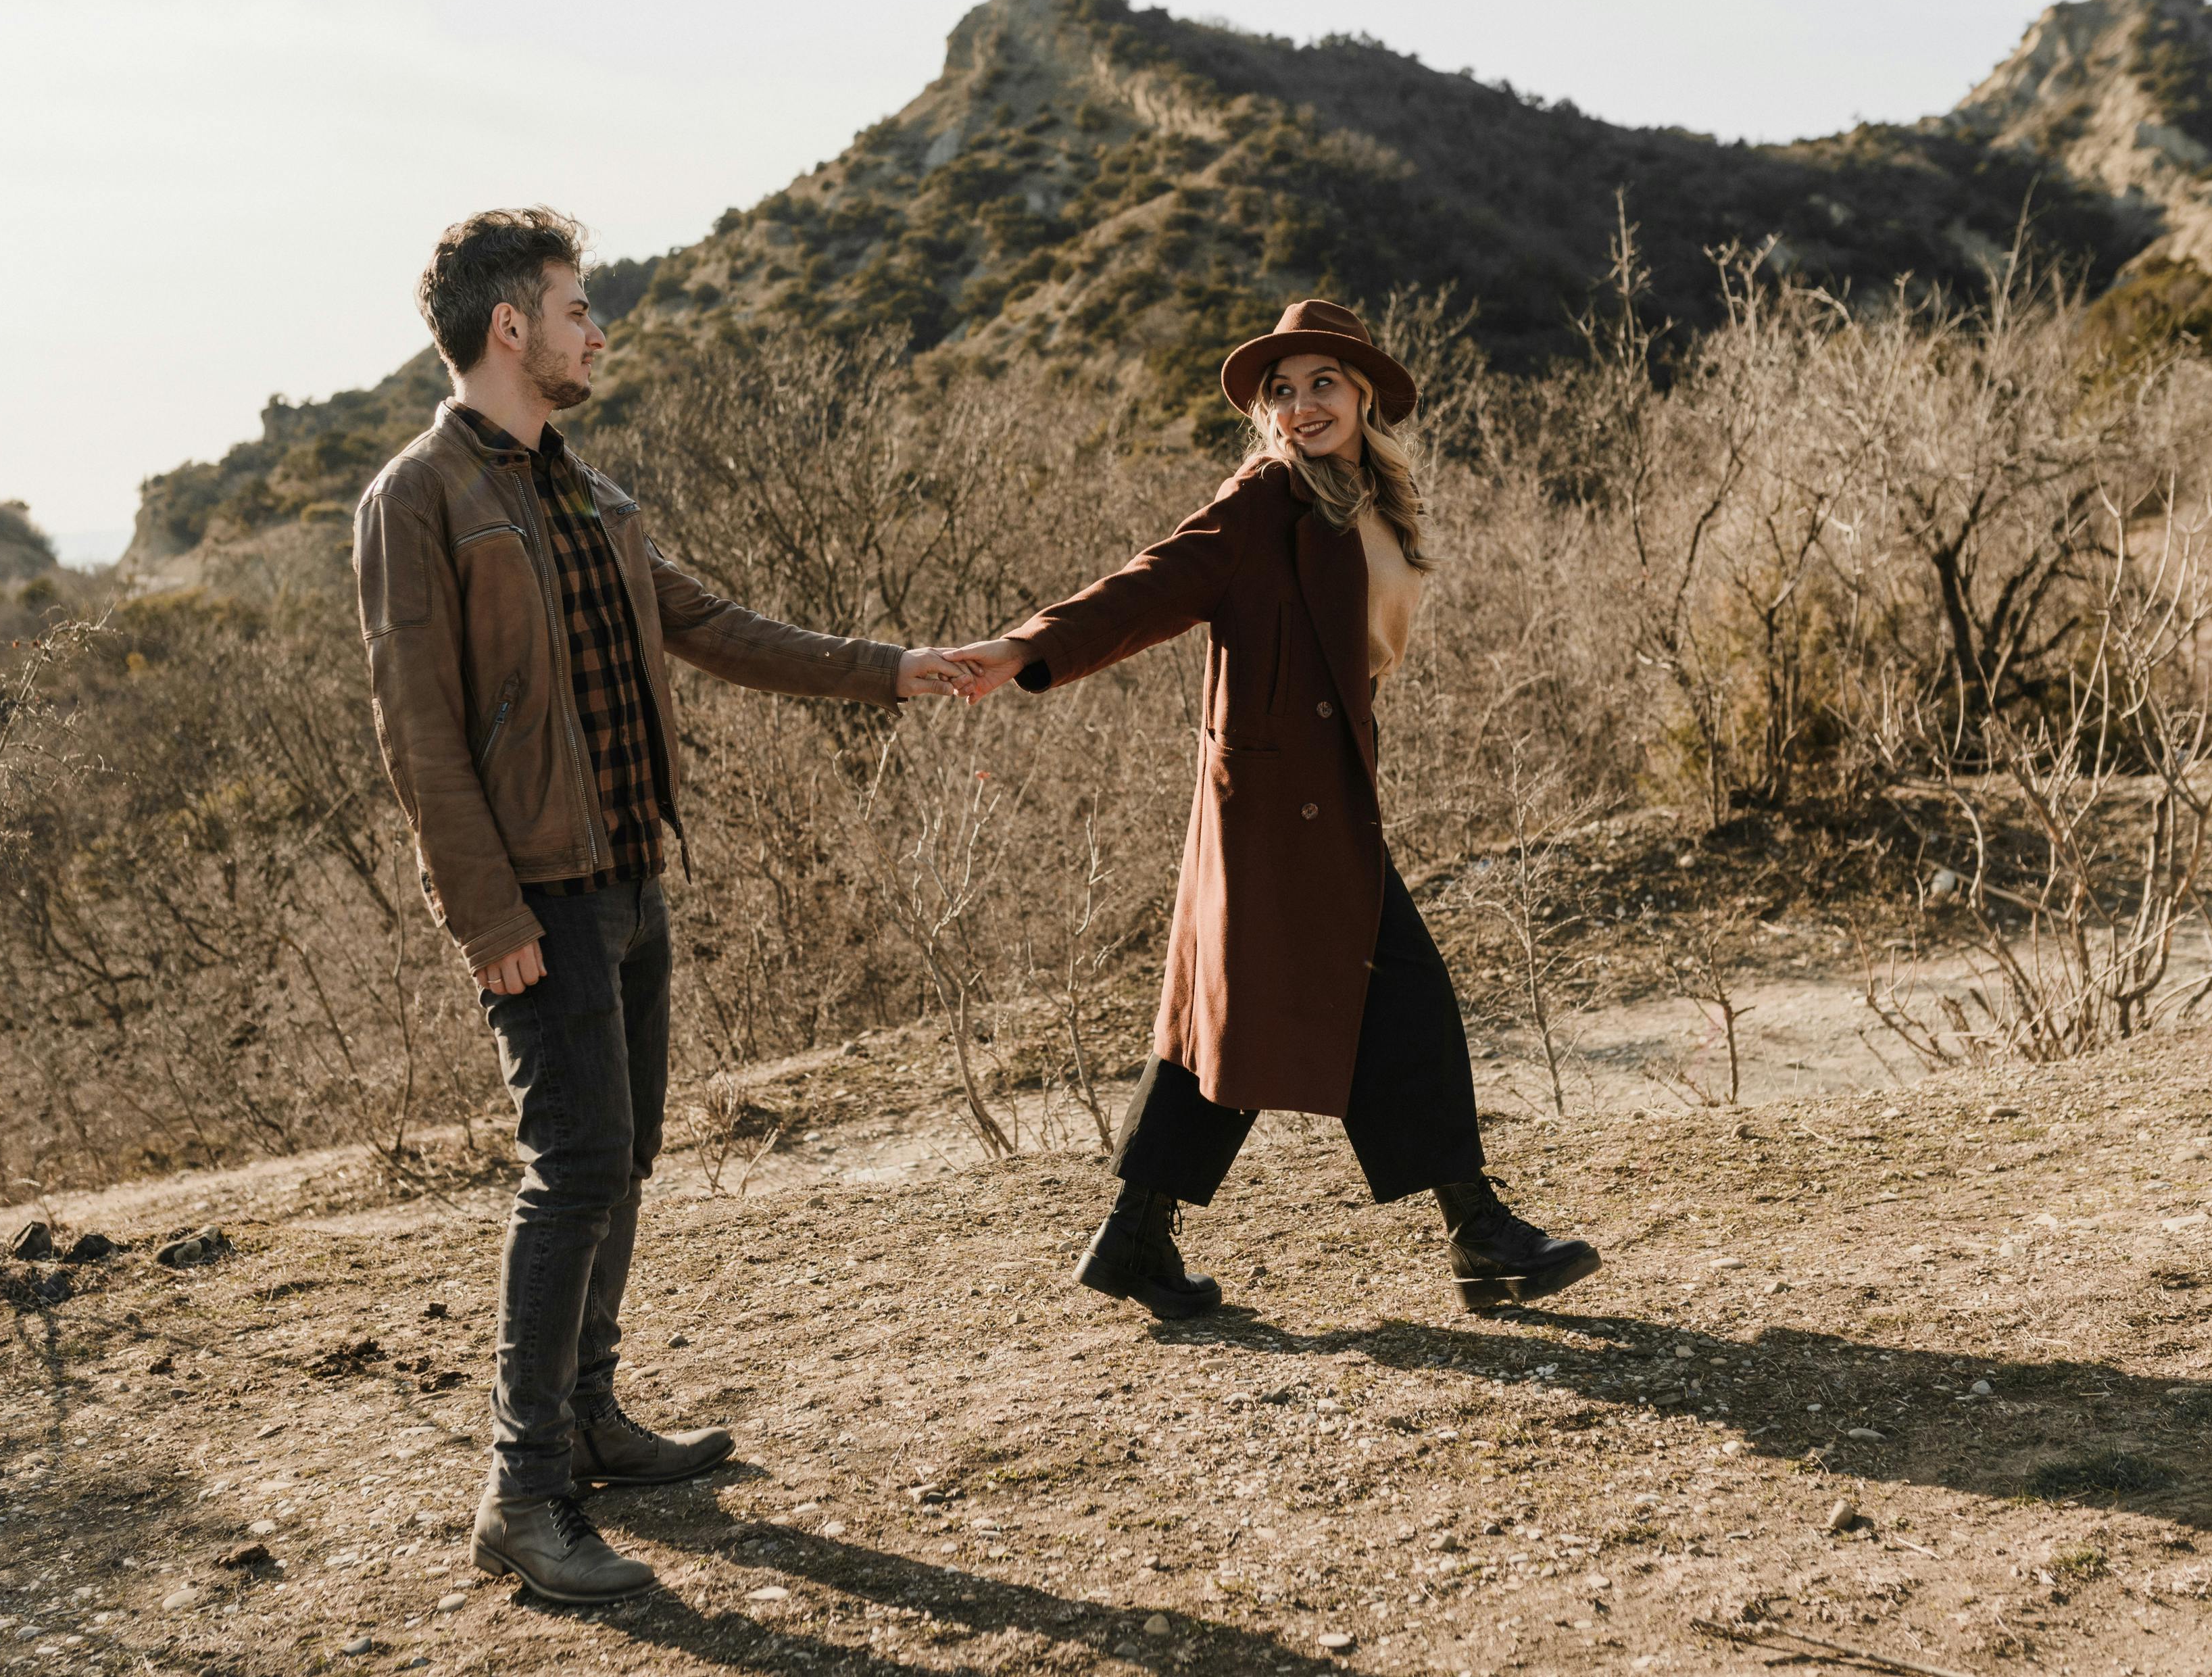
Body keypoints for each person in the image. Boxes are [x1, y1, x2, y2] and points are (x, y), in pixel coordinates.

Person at [353, 208, 970, 1604]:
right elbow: (416, 728)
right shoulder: (418, 495)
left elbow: (710, 626)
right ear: (507, 325)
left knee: (619, 1163)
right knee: (570, 1172)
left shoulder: (585, 490)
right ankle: (521, 1494)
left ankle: (585, 1417)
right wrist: (483, 913)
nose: (596, 329)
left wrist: (894, 668)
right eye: (577, 307)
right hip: (539, 897)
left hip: (630, 873)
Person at [948, 299, 1601, 1321]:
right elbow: (1152, 582)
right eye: (1282, 392)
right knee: (1397, 997)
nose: (1300, 407)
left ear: (1363, 393)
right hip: (1275, 807)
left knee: (1242, 1017)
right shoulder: (1263, 502)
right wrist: (1029, 648)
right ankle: (1477, 1232)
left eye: (1321, 385)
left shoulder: (1365, 499)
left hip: (1317, 794)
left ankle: (1134, 1238)